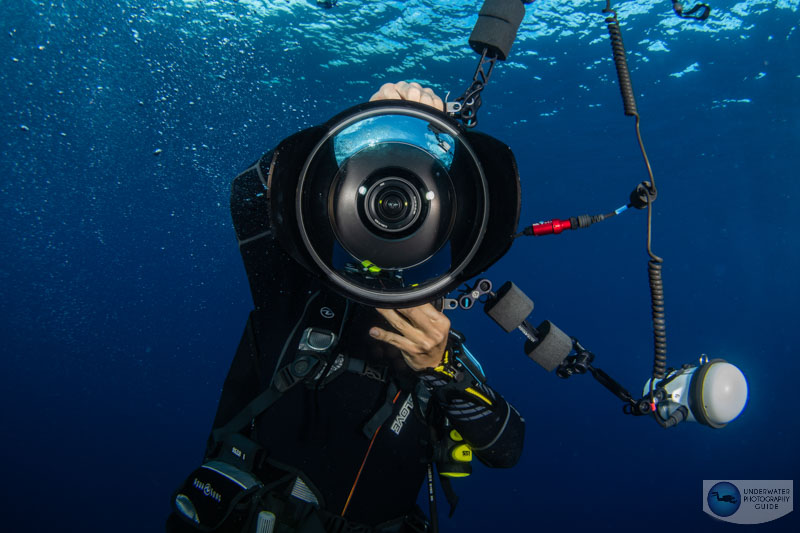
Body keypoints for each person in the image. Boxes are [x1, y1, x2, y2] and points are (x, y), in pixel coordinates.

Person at [167, 82, 525, 533]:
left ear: (450, 228)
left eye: (416, 205)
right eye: (378, 196)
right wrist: (354, 125)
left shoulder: (441, 348)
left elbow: (507, 448)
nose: (395, 212)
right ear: (337, 203)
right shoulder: (296, 293)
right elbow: (249, 194)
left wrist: (441, 369)